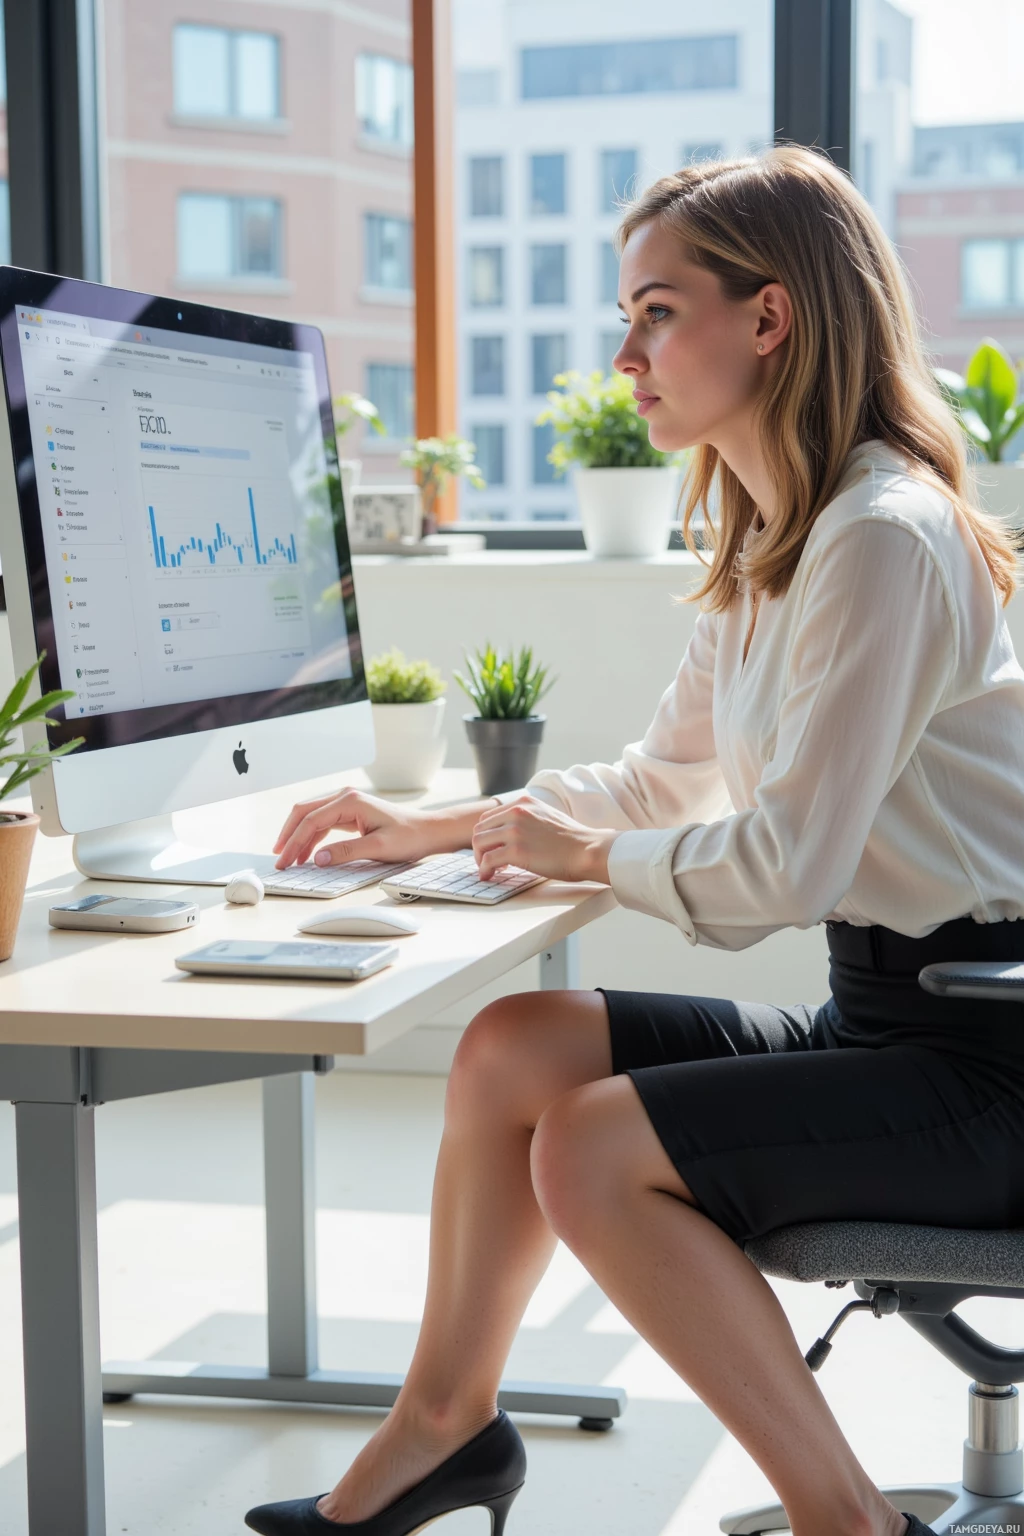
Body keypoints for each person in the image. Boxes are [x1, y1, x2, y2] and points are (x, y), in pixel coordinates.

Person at [245, 146, 1024, 1536]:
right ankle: (445, 1431)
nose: (624, 353)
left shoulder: (884, 537)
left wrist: (578, 859)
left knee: (591, 1149)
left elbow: (784, 866)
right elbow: (665, 778)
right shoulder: (781, 532)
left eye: (657, 312)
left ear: (768, 319)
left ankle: (853, 1522)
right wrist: (435, 826)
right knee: (513, 1048)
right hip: (889, 1017)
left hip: (990, 1062)